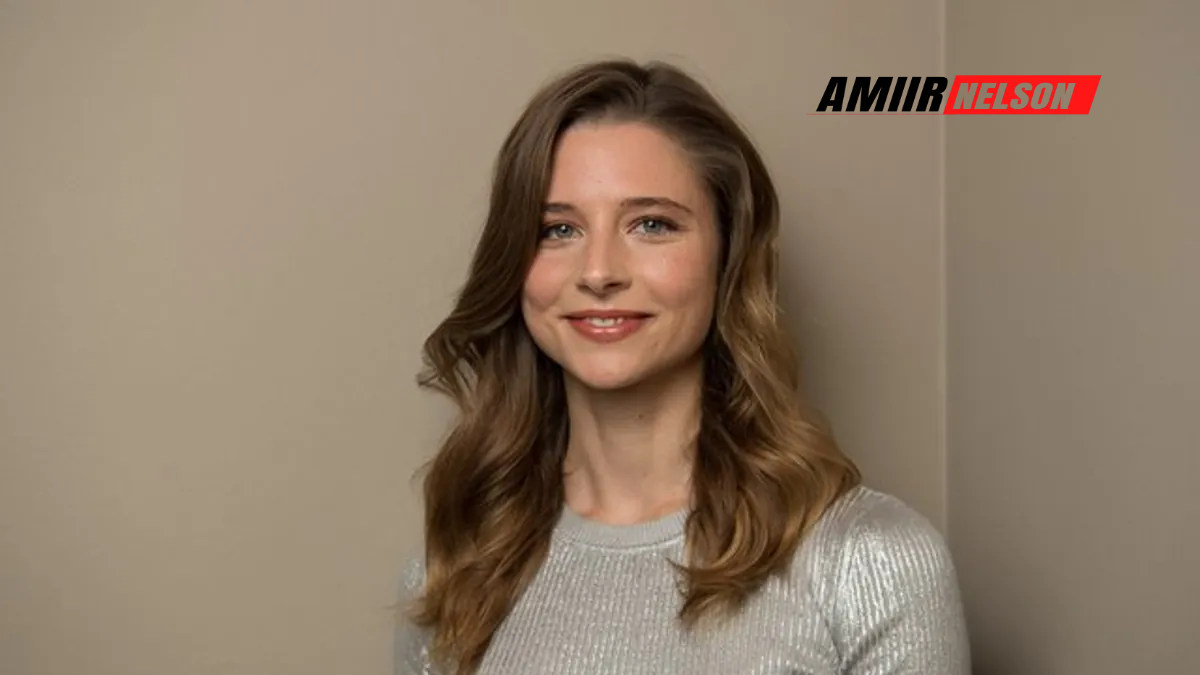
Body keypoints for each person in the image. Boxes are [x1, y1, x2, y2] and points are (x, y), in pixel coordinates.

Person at [393, 58, 971, 675]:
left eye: (651, 224)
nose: (598, 272)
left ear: (728, 254)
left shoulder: (870, 563)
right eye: (558, 229)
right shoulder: (452, 574)